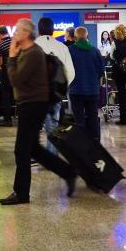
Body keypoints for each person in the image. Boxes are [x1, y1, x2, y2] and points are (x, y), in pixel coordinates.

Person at [0, 19, 77, 205]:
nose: (14, 33)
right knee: (33, 149)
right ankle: (68, 172)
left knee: (22, 150)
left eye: (17, 30)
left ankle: (21, 193)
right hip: (31, 103)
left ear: (27, 33)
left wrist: (11, 57)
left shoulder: (33, 53)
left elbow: (17, 80)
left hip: (33, 105)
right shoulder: (28, 52)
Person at [35, 17, 75, 155]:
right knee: (52, 126)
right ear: (53, 30)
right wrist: (62, 88)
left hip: (35, 95)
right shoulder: (61, 47)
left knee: (32, 127)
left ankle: (34, 155)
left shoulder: (31, 46)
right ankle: (51, 157)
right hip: (54, 95)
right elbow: (70, 72)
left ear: (38, 29)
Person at [68, 27, 105, 140]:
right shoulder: (95, 51)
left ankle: (81, 143)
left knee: (78, 119)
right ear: (87, 36)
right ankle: (95, 143)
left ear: (75, 37)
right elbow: (101, 71)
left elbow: (67, 70)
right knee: (93, 117)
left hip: (76, 91)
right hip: (92, 90)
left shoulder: (70, 50)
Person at [0, 26, 14, 126]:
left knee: (5, 95)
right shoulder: (15, 42)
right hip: (18, 72)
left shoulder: (0, 46)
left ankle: (8, 120)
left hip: (6, 72)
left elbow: (0, 62)